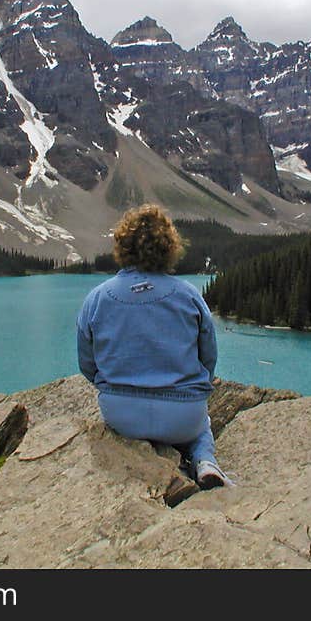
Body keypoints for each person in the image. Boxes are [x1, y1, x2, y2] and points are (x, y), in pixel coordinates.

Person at [76, 204, 233, 489]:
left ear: (122, 246)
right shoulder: (188, 294)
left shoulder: (97, 298)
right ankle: (205, 461)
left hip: (122, 416)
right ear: (168, 246)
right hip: (182, 416)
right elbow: (208, 356)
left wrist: (112, 384)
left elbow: (87, 364)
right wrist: (194, 388)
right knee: (202, 426)